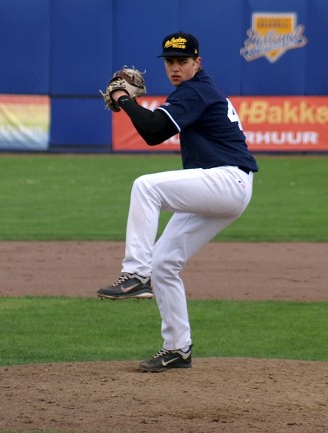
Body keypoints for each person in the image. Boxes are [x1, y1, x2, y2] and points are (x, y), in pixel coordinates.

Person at [97, 31, 258, 372]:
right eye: (170, 61)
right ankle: (177, 348)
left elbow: (154, 131)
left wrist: (124, 99)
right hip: (225, 186)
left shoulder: (195, 89)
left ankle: (135, 274)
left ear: (197, 62)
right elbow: (154, 129)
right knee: (165, 263)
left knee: (146, 187)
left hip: (227, 180)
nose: (175, 67)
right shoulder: (195, 90)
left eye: (182, 61)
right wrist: (128, 103)